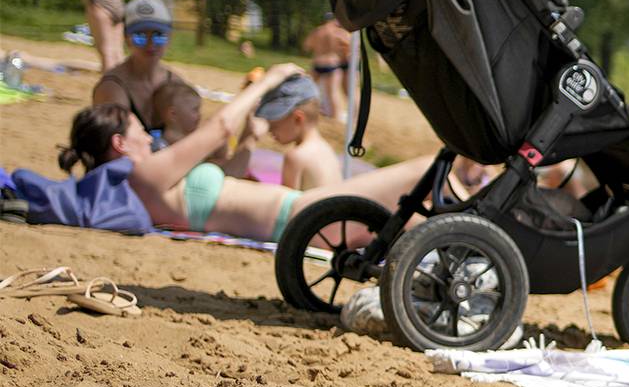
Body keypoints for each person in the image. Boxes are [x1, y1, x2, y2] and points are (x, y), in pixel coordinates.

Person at [61, 66, 438, 244]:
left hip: (303, 217)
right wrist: (268, 83)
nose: (147, 134)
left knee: (417, 221)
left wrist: (248, 140)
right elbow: (219, 128)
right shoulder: (144, 178)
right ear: (119, 144)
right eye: (139, 131)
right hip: (302, 217)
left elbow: (230, 167)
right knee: (426, 169)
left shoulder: (148, 183)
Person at [91, 0, 187, 131]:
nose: (150, 44)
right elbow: (114, 143)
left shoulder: (176, 83)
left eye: (158, 35)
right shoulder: (112, 88)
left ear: (170, 37)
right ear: (126, 38)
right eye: (140, 36)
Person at [253, 74, 343, 190]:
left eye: (274, 124)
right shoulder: (326, 149)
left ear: (298, 118)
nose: (269, 130)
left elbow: (288, 205)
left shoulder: (296, 157)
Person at [301, 14, 353, 117]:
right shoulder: (339, 33)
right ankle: (336, 116)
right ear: (334, 20)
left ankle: (303, 111)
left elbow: (306, 46)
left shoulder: (317, 31)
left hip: (317, 63)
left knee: (307, 89)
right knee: (332, 94)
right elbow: (349, 48)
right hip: (331, 64)